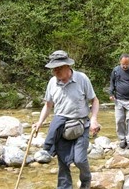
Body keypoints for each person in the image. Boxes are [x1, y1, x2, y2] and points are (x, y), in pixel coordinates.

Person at [32, 50, 100, 189]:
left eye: (59, 68)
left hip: (81, 124)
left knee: (80, 160)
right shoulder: (52, 82)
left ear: (68, 66)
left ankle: (86, 181)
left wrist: (93, 119)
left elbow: (94, 100)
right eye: (53, 69)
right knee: (63, 163)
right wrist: (39, 122)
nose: (56, 71)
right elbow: (48, 105)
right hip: (61, 126)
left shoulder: (82, 78)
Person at [109, 53, 129, 149]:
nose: (125, 66)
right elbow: (112, 83)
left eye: (127, 64)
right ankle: (122, 139)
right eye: (123, 64)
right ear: (120, 62)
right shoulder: (115, 70)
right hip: (118, 100)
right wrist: (111, 93)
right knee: (119, 120)